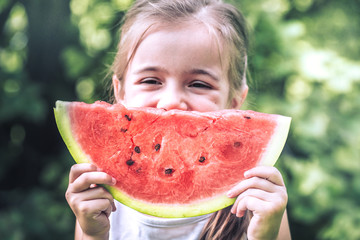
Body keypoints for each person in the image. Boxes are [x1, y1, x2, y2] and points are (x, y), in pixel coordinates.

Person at [65, 0, 291, 239]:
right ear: (120, 91)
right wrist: (93, 234)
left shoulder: (256, 199)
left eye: (199, 84)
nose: (171, 102)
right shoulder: (101, 199)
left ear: (235, 101)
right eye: (151, 80)